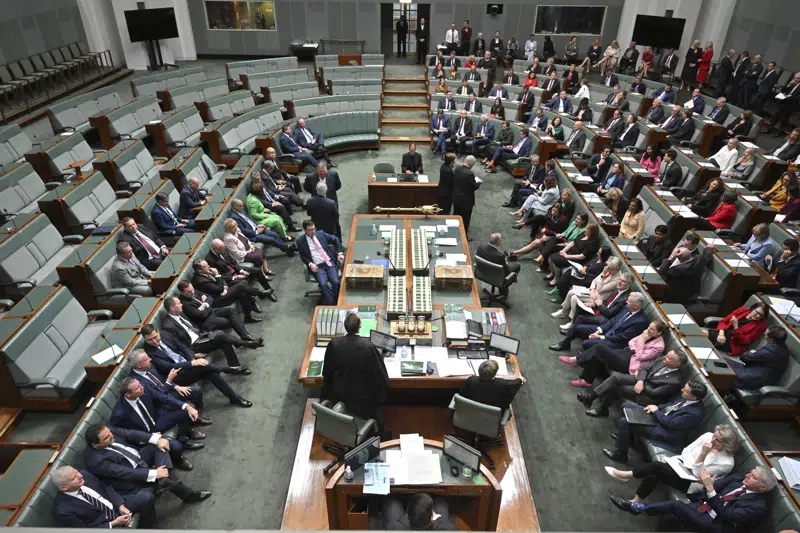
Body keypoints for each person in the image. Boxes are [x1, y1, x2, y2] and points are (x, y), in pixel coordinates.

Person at [607, 424, 738, 507]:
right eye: (714, 436)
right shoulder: (708, 436)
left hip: (692, 484)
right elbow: (686, 450)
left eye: (717, 440)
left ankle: (626, 476)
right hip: (679, 465)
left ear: (726, 445)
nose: (712, 440)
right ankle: (635, 502)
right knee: (656, 472)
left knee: (657, 467)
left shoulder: (726, 463)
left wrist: (702, 454)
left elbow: (699, 476)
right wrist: (690, 464)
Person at [618, 467, 776, 532]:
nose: (747, 475)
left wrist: (710, 490)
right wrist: (710, 486)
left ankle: (639, 509)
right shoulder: (740, 479)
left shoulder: (759, 507)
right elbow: (716, 485)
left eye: (753, 477)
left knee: (675, 506)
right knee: (670, 517)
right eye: (751, 472)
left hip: (715, 525)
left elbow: (727, 516)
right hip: (702, 506)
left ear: (763, 487)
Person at [84, 423, 210, 503]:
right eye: (107, 437)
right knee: (164, 473)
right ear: (95, 444)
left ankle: (164, 480)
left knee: (159, 446)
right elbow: (125, 473)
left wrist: (156, 439)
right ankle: (189, 495)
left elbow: (131, 434)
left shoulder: (107, 430)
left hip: (139, 456)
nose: (111, 436)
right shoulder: (96, 461)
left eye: (110, 433)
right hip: (131, 478)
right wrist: (154, 473)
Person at [604, 380, 707, 464]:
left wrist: (656, 411)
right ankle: (627, 437)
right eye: (684, 388)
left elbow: (670, 424)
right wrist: (655, 407)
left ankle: (621, 455)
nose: (682, 390)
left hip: (667, 432)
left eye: (685, 391)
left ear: (694, 397)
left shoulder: (695, 413)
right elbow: (670, 404)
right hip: (660, 418)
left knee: (624, 422)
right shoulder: (685, 396)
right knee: (626, 406)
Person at [323, 312, 389, 425]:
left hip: (340, 393)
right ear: (360, 326)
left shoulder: (333, 344)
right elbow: (381, 376)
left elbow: (327, 372)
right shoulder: (368, 347)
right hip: (363, 397)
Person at [579, 349, 688, 418]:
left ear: (675, 364)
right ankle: (591, 397)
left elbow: (655, 393)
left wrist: (642, 383)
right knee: (615, 378)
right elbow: (645, 368)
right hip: (641, 381)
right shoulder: (662, 360)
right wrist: (640, 380)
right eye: (667, 355)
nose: (665, 357)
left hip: (647, 395)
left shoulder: (675, 381)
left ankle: (602, 409)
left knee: (616, 387)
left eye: (668, 358)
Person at [564, 320, 668, 389]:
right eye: (649, 327)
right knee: (597, 354)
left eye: (652, 329)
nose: (648, 330)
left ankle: (576, 360)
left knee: (599, 348)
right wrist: (640, 344)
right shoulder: (646, 333)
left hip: (630, 364)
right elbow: (631, 342)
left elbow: (640, 357)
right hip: (626, 352)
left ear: (658, 333)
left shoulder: (659, 346)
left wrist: (641, 341)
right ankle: (586, 380)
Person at [52, 466, 155, 528]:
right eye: (74, 477)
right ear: (64, 488)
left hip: (114, 504)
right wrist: (113, 523)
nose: (80, 476)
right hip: (105, 524)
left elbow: (106, 487)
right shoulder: (63, 511)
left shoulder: (85, 474)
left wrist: (120, 505)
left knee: (147, 498)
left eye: (76, 472)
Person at [111, 376, 202, 445]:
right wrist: (146, 437)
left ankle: (183, 438)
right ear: (128, 395)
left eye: (140, 385)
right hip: (146, 434)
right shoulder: (119, 413)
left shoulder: (144, 389)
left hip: (156, 422)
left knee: (187, 410)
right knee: (176, 446)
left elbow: (164, 398)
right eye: (138, 388)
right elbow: (122, 432)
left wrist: (186, 406)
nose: (142, 387)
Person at [552, 292, 649, 353]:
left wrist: (601, 337)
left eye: (629, 302)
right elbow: (613, 321)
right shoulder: (627, 308)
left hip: (616, 341)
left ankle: (583, 358)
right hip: (608, 331)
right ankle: (565, 344)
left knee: (586, 343)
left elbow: (622, 337)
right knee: (578, 327)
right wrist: (599, 331)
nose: (626, 302)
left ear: (636, 306)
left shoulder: (640, 321)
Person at [726, 326, 790, 390]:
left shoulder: (769, 351)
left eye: (765, 334)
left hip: (753, 379)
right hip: (759, 373)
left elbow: (744, 358)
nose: (764, 335)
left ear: (771, 339)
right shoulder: (783, 347)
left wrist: (750, 352)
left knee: (723, 370)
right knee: (723, 362)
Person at [296, 219, 344, 305]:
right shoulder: (300, 241)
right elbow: (303, 256)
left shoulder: (321, 234)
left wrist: (340, 253)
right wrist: (310, 264)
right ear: (305, 230)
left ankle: (335, 298)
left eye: (314, 229)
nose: (313, 231)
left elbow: (335, 239)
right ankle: (333, 304)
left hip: (329, 262)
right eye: (310, 230)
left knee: (335, 282)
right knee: (323, 284)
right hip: (318, 266)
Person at [206, 238, 273, 294]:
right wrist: (235, 277)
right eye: (221, 249)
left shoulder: (223, 249)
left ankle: (268, 290)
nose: (223, 251)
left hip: (236, 270)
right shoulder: (209, 260)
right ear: (214, 249)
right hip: (229, 278)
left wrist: (241, 270)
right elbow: (218, 276)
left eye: (223, 249)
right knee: (242, 283)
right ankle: (258, 297)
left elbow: (232, 261)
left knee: (257, 270)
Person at [460, 358, 525, 411]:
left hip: (470, 412)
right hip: (492, 417)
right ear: (494, 373)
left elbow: (462, 394)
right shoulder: (502, 384)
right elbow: (516, 383)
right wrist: (520, 379)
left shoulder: (471, 380)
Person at [380, 493, 456, 530]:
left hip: (405, 526)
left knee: (392, 501)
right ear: (432, 516)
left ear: (407, 513)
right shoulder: (448, 529)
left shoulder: (393, 528)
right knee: (440, 501)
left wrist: (405, 517)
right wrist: (437, 520)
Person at [452, 156, 482, 236]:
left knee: (456, 215)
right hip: (466, 200)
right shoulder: (469, 174)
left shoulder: (457, 169)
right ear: (471, 164)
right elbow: (473, 187)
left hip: (456, 197)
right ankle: (463, 235)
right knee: (465, 219)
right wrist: (478, 183)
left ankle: (453, 231)